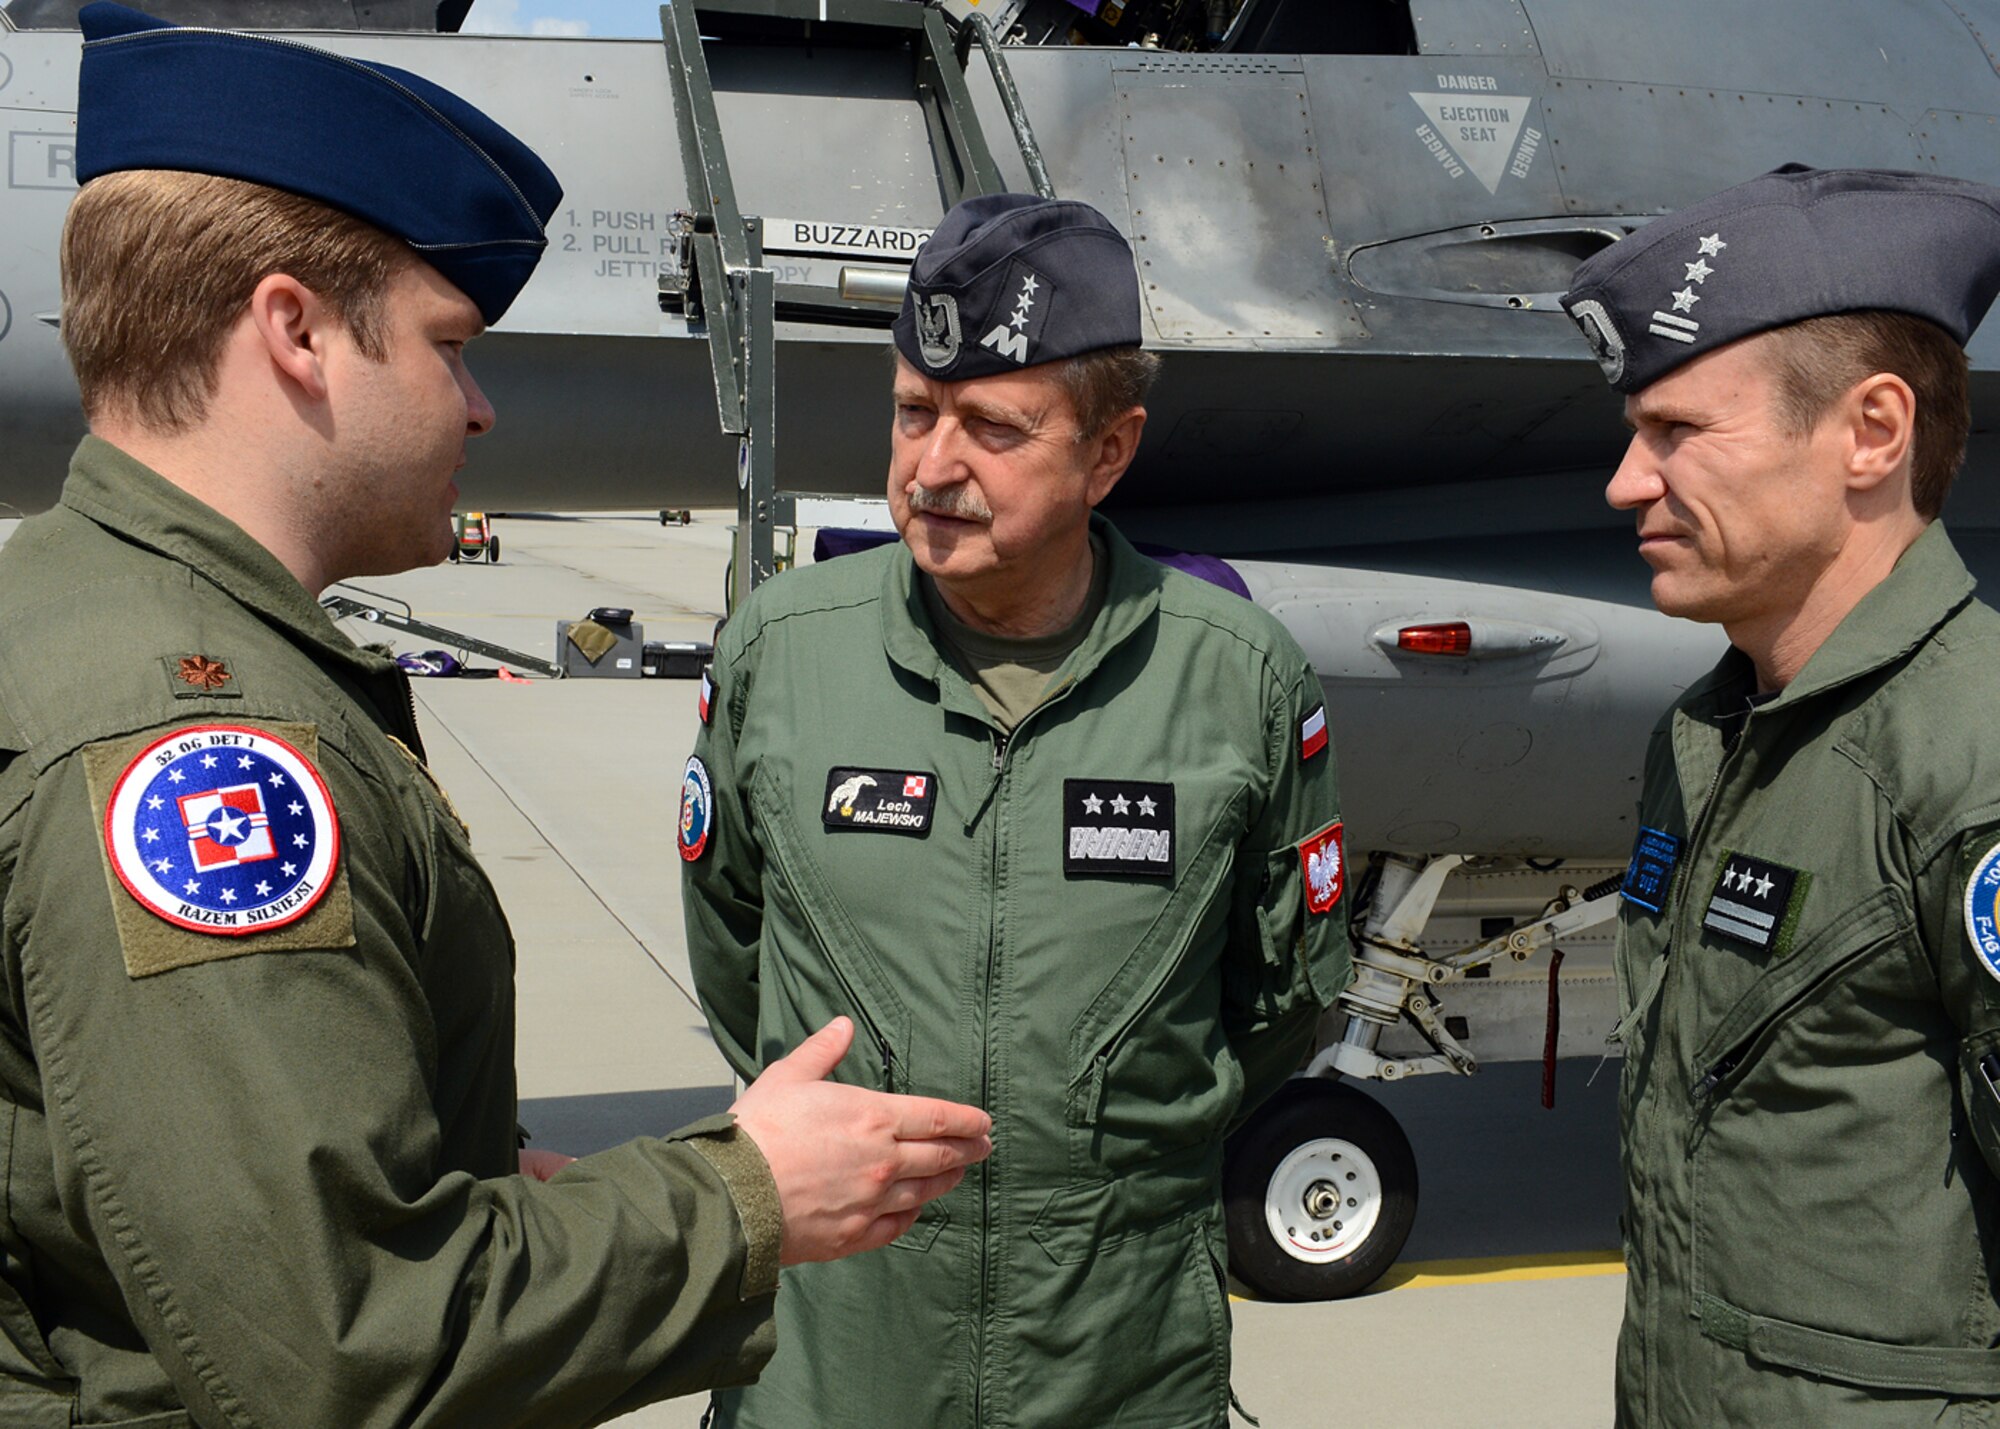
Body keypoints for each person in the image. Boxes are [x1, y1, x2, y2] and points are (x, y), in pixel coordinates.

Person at [0, 5, 991, 1423]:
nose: (475, 407)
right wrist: (747, 1194)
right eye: (445, 343)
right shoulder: (192, 743)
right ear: (294, 333)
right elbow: (348, 1346)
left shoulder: (83, 608)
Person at [681, 192, 1350, 1429]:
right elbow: (733, 953)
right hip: (833, 1361)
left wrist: (1095, 1149)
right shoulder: (783, 651)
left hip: (1115, 1358)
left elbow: (1280, 1000)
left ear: (1108, 450)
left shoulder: (1234, 677)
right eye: (911, 413)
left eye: (992, 427)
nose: (932, 468)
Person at [1562, 164, 2000, 1426]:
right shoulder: (1704, 734)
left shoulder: (1967, 758)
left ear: (1871, 431)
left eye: (1680, 432)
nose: (1624, 482)